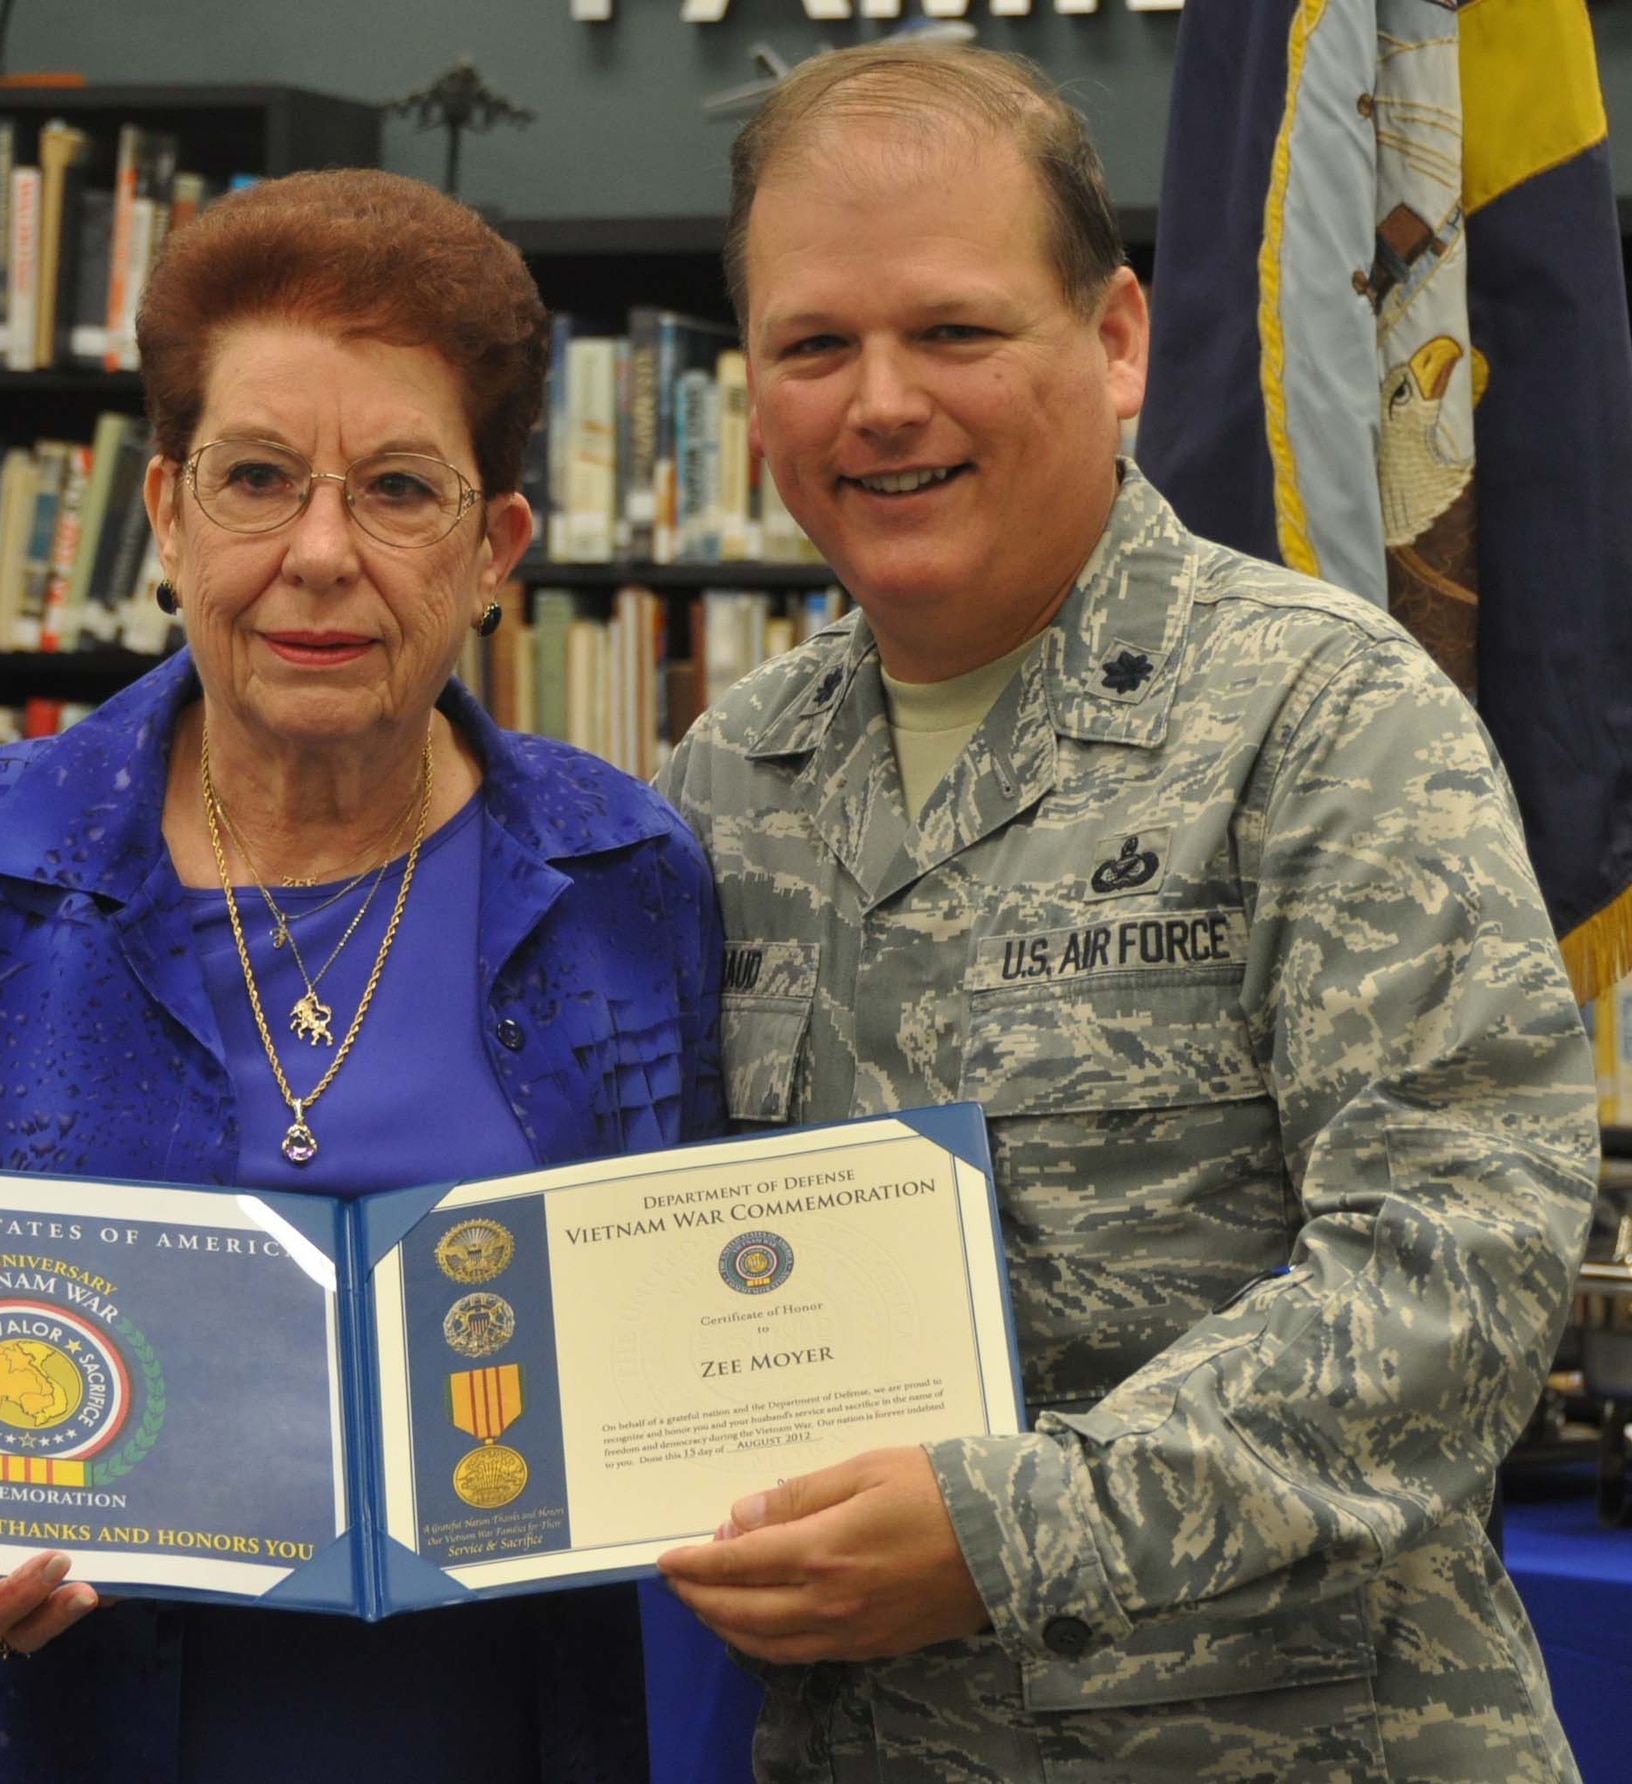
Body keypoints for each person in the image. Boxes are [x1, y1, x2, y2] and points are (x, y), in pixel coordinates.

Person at [0, 168, 723, 1783]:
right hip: (20, 1734)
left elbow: (697, 1360)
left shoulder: (624, 880)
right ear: (162, 512)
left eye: (399, 492)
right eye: (257, 478)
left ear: (498, 544)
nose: (317, 554)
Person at [654, 41, 1596, 1781]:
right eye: (814, 345)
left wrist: (1016, 1530)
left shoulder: (1322, 718)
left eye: (952, 330)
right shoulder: (731, 780)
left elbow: (1460, 1269)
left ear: (1113, 342)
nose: (879, 402)